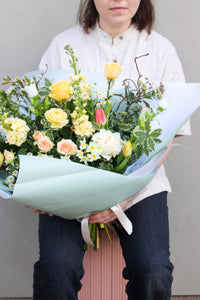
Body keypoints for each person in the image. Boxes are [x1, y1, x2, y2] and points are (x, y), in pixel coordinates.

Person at [32, 0, 191, 299]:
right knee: (56, 269)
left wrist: (120, 198)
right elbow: (39, 122)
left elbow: (167, 136)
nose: (118, 0)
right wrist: (37, 187)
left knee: (153, 270)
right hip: (68, 184)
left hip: (142, 185)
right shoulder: (64, 45)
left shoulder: (161, 49)